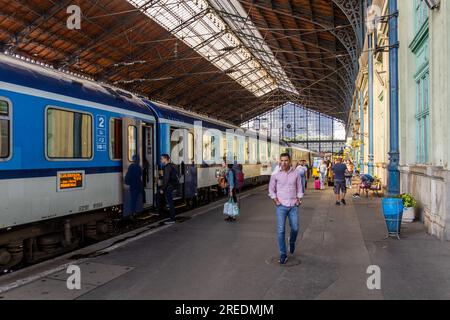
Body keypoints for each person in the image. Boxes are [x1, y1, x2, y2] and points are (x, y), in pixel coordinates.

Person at [269, 153, 304, 265]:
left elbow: (299, 187)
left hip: (293, 205)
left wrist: (299, 198)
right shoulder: (275, 174)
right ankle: (283, 254)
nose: (283, 163)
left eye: (286, 161)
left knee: (295, 228)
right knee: (280, 231)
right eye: (282, 160)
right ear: (280, 161)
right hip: (281, 206)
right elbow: (271, 189)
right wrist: (276, 201)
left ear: (290, 161)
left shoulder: (296, 173)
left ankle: (292, 241)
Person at [156, 154, 179, 224]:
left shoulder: (167, 167)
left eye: (162, 159)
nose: (161, 160)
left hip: (169, 186)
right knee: (160, 196)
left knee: (169, 202)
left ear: (166, 159)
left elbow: (166, 179)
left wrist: (162, 188)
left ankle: (172, 219)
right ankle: (159, 211)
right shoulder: (171, 165)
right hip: (172, 185)